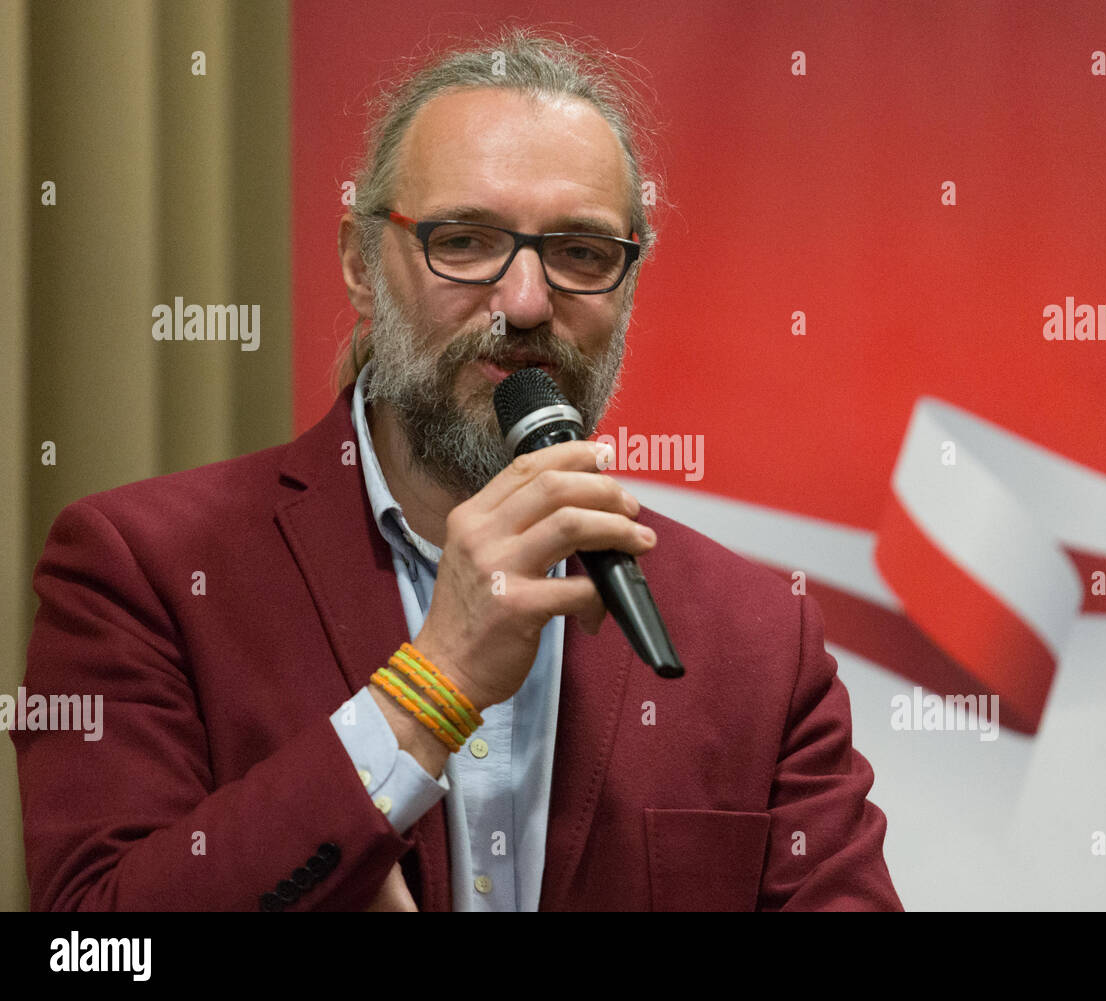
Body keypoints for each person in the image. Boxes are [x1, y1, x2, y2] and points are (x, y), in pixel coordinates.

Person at [13, 28, 902, 912]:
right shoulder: (146, 569)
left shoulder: (754, 636)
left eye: (581, 254)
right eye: (466, 241)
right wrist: (433, 685)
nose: (523, 301)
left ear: (629, 283)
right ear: (362, 265)